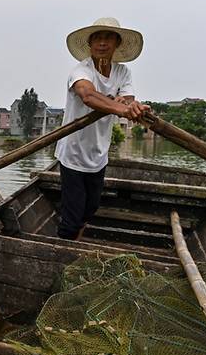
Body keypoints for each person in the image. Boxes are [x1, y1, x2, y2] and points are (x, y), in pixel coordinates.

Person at [54, 17, 150, 240]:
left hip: (99, 154)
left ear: (117, 44)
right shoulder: (81, 70)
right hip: (73, 154)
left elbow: (126, 100)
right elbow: (87, 95)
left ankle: (75, 242)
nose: (102, 43)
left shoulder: (122, 72)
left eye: (108, 38)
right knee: (72, 216)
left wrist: (133, 107)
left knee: (90, 209)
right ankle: (62, 254)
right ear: (90, 44)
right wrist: (123, 108)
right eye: (97, 38)